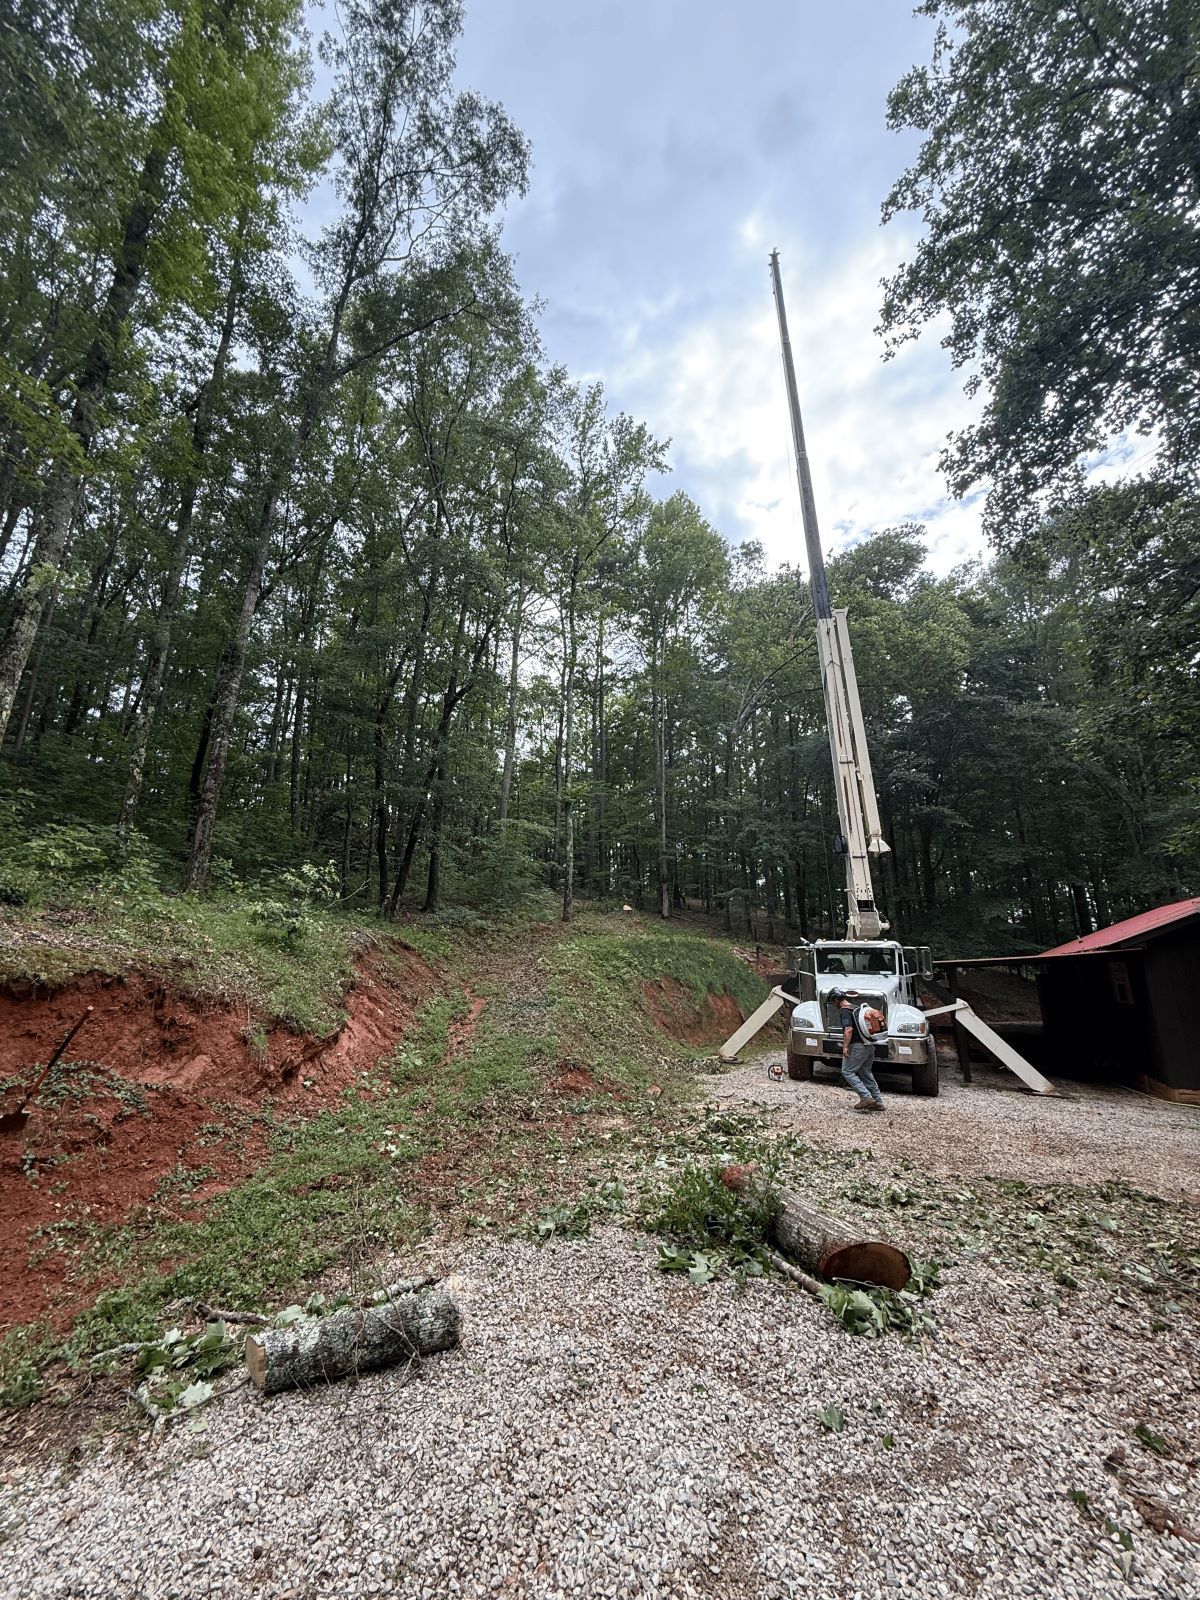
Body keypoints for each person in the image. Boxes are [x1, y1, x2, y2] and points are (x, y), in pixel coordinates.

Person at [831, 987, 886, 1113]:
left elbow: (848, 1029)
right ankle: (878, 1102)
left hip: (857, 1046)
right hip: (869, 1045)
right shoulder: (857, 1008)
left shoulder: (845, 1011)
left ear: (836, 1000)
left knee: (847, 1071)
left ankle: (866, 1097)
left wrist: (845, 1046)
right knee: (866, 1073)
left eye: (833, 1002)